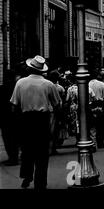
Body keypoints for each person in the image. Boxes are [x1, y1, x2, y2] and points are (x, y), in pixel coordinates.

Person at [10, 56, 61, 189]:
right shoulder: (48, 84)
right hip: (42, 120)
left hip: (25, 119)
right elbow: (57, 104)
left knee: (27, 150)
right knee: (42, 152)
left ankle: (27, 176)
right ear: (42, 70)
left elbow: (14, 105)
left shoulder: (20, 83)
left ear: (30, 68)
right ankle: (40, 181)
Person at [0, 70, 21, 166]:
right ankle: (15, 156)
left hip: (5, 117)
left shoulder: (2, 88)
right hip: (17, 116)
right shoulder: (18, 87)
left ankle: (12, 158)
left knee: (8, 138)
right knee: (16, 137)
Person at [89, 71, 104, 149]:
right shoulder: (101, 84)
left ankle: (93, 142)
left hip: (90, 107)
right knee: (101, 126)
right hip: (100, 106)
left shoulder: (87, 85)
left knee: (93, 126)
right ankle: (100, 142)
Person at [48, 70, 66, 155]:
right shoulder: (59, 88)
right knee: (54, 130)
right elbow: (61, 101)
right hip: (54, 110)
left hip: (47, 109)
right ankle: (52, 148)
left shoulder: (47, 85)